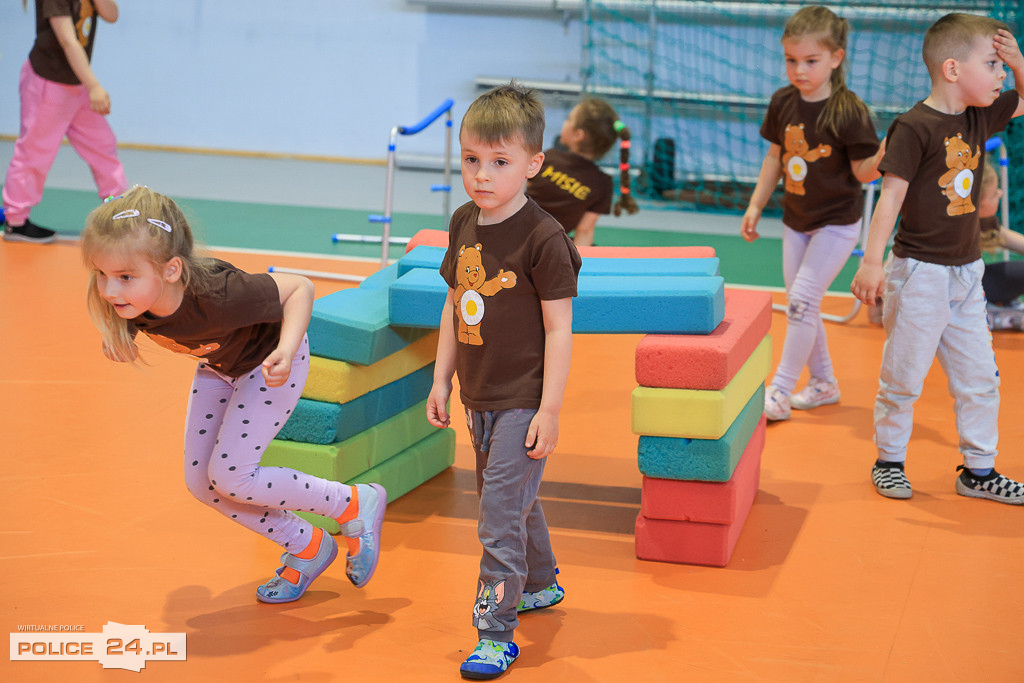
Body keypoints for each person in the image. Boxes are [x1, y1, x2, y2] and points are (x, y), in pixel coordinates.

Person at [81, 186, 387, 601]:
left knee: (232, 476)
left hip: (270, 365)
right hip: (219, 369)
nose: (109, 290)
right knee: (200, 482)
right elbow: (107, 296)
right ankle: (308, 546)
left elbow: (301, 288)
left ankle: (351, 503)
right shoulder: (132, 298)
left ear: (171, 270)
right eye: (102, 274)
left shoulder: (218, 295)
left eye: (124, 278)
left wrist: (284, 348)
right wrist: (118, 333)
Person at [425, 83, 581, 680]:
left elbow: (560, 330)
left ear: (533, 164)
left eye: (499, 162)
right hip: (478, 392)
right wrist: (442, 379)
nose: (481, 176)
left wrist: (550, 410)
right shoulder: (465, 220)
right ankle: (540, 582)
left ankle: (495, 632)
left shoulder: (544, 239)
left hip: (523, 399)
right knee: (513, 497)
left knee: (495, 513)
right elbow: (453, 303)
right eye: (470, 160)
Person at [850, 13, 1024, 504]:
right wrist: (871, 261)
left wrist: (1018, 62)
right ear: (952, 69)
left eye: (1000, 65)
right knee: (903, 377)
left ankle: (979, 471)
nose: (999, 75)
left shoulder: (980, 115)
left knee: (980, 378)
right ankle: (888, 461)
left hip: (968, 273)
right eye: (991, 64)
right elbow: (891, 197)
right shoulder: (914, 126)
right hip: (919, 272)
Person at [741, 5, 885, 421]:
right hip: (796, 220)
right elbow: (774, 156)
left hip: (836, 224)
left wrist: (886, 153)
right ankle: (823, 382)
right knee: (804, 302)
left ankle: (781, 390)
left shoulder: (849, 111)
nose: (799, 70)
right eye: (791, 60)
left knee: (803, 299)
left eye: (810, 61)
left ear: (836, 58)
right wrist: (756, 203)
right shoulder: (783, 101)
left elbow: (862, 172)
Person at [2, 0, 128, 243]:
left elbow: (111, 14)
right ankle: (15, 220)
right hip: (48, 83)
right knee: (34, 153)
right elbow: (68, 41)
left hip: (74, 83)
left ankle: (119, 211)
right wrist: (94, 86)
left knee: (102, 144)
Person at [526, 97, 637, 247]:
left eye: (569, 119)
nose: (565, 123)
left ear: (578, 135)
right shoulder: (603, 183)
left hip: (517, 233)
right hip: (552, 245)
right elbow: (584, 230)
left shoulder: (549, 156)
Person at [977, 160, 1024, 329]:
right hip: (961, 289)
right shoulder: (952, 228)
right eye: (994, 193)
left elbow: (1014, 240)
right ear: (978, 202)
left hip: (977, 283)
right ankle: (990, 312)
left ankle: (995, 308)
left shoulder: (987, 224)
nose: (1001, 193)